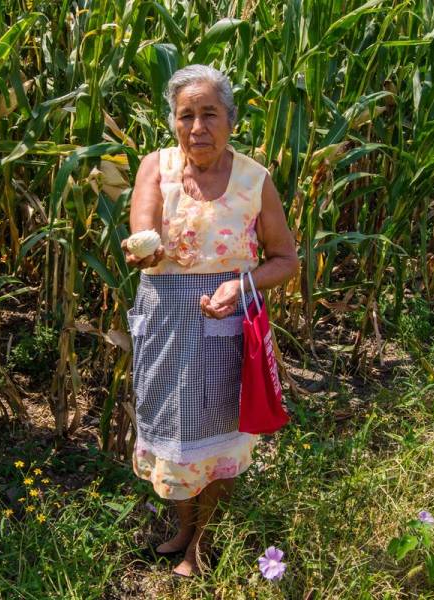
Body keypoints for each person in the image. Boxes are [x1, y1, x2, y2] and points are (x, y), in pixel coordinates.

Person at [120, 64, 299, 577]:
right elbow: (143, 230)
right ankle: (182, 523)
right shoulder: (155, 168)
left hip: (227, 325)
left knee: (221, 434)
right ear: (173, 123)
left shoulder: (253, 179)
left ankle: (202, 541)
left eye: (209, 114)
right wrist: (144, 252)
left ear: (231, 121)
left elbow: (285, 259)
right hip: (166, 323)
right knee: (173, 430)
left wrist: (240, 285)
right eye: (186, 115)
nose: (197, 127)